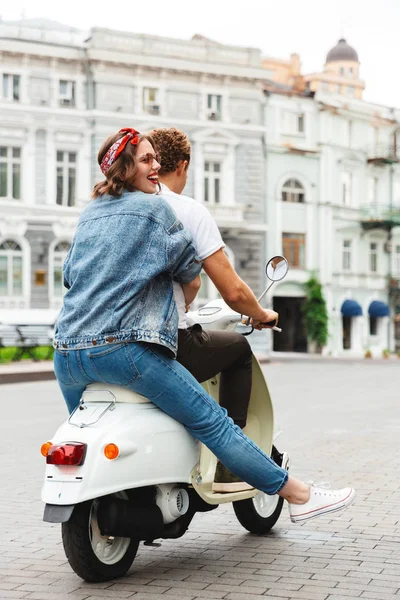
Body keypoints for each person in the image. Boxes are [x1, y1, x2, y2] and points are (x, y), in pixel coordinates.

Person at [53, 126, 355, 524]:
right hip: (125, 351)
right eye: (145, 160)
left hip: (67, 354)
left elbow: (70, 277)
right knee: (212, 421)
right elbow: (190, 275)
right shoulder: (157, 209)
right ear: (125, 170)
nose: (155, 165)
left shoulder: (90, 213)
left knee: (90, 433)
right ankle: (299, 494)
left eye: (156, 159)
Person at [149, 127, 284, 493]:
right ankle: (231, 457)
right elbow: (234, 291)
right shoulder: (187, 210)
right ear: (183, 166)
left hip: (103, 338)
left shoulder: (124, 204)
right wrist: (261, 313)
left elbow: (188, 283)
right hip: (163, 339)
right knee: (237, 349)